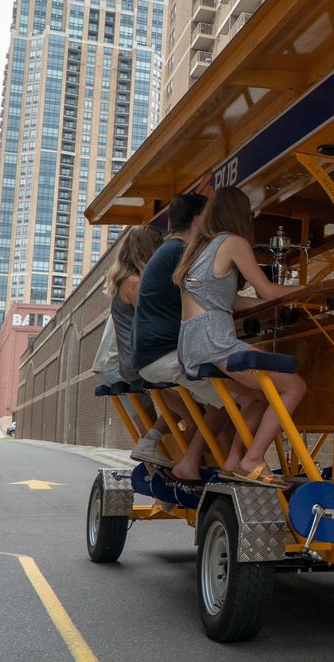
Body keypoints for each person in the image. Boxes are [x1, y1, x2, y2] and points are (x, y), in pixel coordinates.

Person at [170, 187, 307, 485]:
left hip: (192, 341)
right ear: (240, 215)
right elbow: (268, 290)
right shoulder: (233, 242)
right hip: (215, 339)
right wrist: (310, 291)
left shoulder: (201, 248)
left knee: (260, 396)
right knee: (294, 387)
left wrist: (271, 305)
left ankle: (234, 462)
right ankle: (254, 458)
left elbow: (231, 302)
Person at [129, 193, 207, 466]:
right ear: (198, 220)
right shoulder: (181, 252)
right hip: (165, 354)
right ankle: (198, 465)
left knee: (217, 405)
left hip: (150, 356)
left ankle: (195, 465)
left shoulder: (167, 250)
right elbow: (212, 299)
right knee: (244, 400)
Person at [102, 225, 165, 460]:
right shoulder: (136, 283)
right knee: (193, 406)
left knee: (150, 428)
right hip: (136, 364)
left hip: (127, 365)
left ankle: (159, 478)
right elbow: (153, 319)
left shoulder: (124, 281)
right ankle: (152, 447)